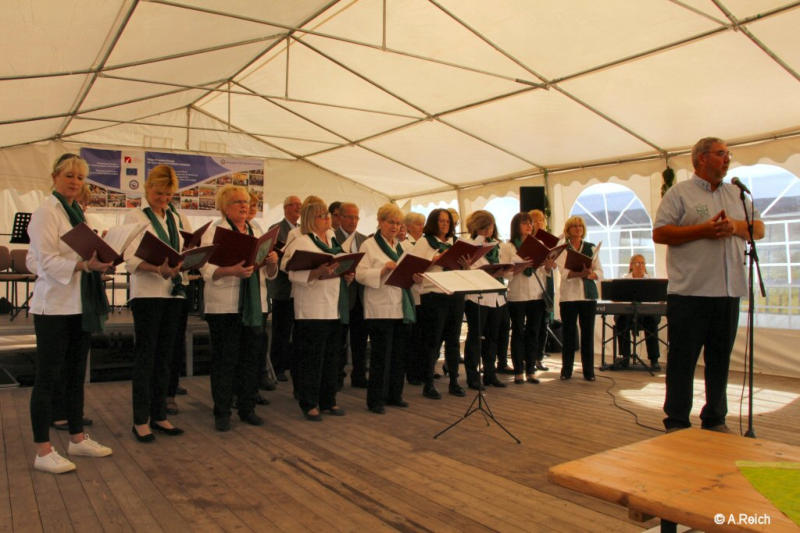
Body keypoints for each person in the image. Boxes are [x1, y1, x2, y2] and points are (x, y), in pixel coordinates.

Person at [653, 137, 763, 433]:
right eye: (721, 153)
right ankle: (677, 420)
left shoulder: (737, 194)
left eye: (728, 154)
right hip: (690, 293)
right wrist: (703, 230)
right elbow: (660, 233)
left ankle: (715, 417)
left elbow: (759, 228)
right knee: (683, 360)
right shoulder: (680, 193)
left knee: (720, 359)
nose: (727, 159)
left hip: (727, 292)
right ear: (701, 158)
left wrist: (735, 227)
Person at [28, 153, 113, 473]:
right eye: (69, 176)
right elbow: (45, 261)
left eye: (80, 177)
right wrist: (83, 265)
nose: (75, 182)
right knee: (48, 378)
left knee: (76, 375)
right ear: (54, 177)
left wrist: (99, 262)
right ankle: (43, 450)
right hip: (53, 306)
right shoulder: (46, 212)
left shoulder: (77, 213)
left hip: (80, 304)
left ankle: (77, 438)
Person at [201, 185, 278, 431]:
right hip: (225, 306)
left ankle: (247, 408)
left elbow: (269, 273)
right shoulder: (215, 231)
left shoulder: (257, 230)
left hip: (254, 304)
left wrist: (272, 262)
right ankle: (222, 412)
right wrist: (230, 271)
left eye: (246, 202)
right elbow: (205, 268)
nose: (244, 206)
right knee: (225, 360)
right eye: (238, 202)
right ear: (225, 207)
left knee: (251, 359)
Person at [124, 164, 186, 442]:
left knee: (165, 357)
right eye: (159, 193)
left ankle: (159, 414)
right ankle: (140, 420)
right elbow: (129, 259)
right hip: (147, 294)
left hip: (172, 293)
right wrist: (156, 268)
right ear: (148, 189)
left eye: (169, 194)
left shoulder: (174, 216)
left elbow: (182, 248)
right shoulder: (136, 216)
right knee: (146, 357)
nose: (164, 199)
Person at [281, 201, 352, 421]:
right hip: (311, 308)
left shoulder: (333, 240)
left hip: (333, 307)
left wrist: (346, 273)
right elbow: (292, 273)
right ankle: (309, 402)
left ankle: (328, 400)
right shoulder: (302, 241)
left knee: (331, 357)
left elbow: (339, 266)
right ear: (311, 219)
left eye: (328, 215)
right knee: (311, 359)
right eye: (322, 216)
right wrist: (316, 272)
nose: (327, 219)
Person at [355, 203, 416, 413]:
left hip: (401, 306)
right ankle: (376, 400)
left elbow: (408, 274)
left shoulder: (403, 247)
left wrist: (415, 277)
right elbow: (360, 274)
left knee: (399, 354)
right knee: (381, 355)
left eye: (398, 223)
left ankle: (394, 395)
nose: (395, 227)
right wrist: (382, 270)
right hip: (379, 307)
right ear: (380, 222)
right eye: (391, 222)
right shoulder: (369, 245)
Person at [411, 208, 466, 399]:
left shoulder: (455, 242)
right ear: (433, 222)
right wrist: (434, 260)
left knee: (453, 340)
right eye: (441, 221)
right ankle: (428, 383)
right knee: (432, 341)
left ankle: (454, 382)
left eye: (448, 221)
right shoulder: (424, 242)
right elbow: (415, 268)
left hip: (454, 293)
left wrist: (466, 264)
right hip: (433, 295)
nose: (445, 224)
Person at [502, 211, 553, 384]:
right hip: (517, 295)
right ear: (516, 226)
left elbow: (543, 271)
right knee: (518, 332)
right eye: (525, 223)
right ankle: (518, 370)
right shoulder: (508, 246)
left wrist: (548, 267)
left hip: (536, 294)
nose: (529, 226)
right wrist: (520, 267)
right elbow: (505, 273)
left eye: (530, 223)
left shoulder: (539, 244)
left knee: (534, 332)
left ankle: (531, 369)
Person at [463, 210, 509, 390]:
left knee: (492, 337)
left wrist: (505, 270)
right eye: (485, 226)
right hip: (477, 297)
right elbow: (467, 271)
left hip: (496, 295)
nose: (489, 229)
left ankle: (490, 373)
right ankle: (472, 376)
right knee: (475, 337)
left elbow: (504, 268)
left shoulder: (496, 245)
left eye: (490, 225)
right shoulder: (469, 245)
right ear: (476, 227)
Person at [556, 215, 602, 381]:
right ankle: (566, 370)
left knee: (587, 334)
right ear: (568, 230)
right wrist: (579, 273)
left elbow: (600, 272)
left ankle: (588, 371)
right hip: (569, 297)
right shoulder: (563, 249)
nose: (578, 229)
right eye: (574, 226)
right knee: (569, 335)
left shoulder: (590, 248)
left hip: (587, 297)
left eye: (580, 226)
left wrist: (590, 274)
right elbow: (564, 273)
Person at [267, 195, 301, 385]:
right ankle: (278, 366)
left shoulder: (303, 230)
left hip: (300, 287)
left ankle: (291, 363)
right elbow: (270, 253)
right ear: (286, 208)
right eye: (294, 205)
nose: (298, 208)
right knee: (281, 329)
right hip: (282, 286)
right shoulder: (276, 229)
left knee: (296, 329)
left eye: (300, 205)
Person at [335, 202, 369, 388]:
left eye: (356, 217)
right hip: (341, 295)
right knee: (340, 338)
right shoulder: (333, 237)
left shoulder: (364, 240)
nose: (353, 221)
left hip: (361, 295)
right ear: (340, 217)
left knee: (360, 339)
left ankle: (359, 375)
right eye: (349, 217)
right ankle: (338, 375)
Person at [613, 254, 662, 370]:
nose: (641, 266)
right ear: (631, 265)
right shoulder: (624, 280)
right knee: (621, 321)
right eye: (638, 263)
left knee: (651, 321)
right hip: (628, 314)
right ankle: (625, 358)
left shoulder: (650, 281)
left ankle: (654, 359)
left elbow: (657, 299)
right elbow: (615, 299)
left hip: (645, 315)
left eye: (643, 263)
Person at [402, 212, 426, 385]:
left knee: (422, 335)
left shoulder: (425, 242)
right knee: (412, 337)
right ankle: (412, 372)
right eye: (418, 224)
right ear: (408, 226)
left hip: (425, 293)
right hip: (411, 294)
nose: (421, 227)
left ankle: (422, 369)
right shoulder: (405, 244)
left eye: (423, 224)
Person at [530, 209, 553, 372]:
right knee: (533, 327)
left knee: (544, 325)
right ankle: (530, 359)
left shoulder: (548, 241)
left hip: (546, 286)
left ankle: (539, 357)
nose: (539, 223)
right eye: (535, 220)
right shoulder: (527, 241)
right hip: (531, 288)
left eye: (541, 220)